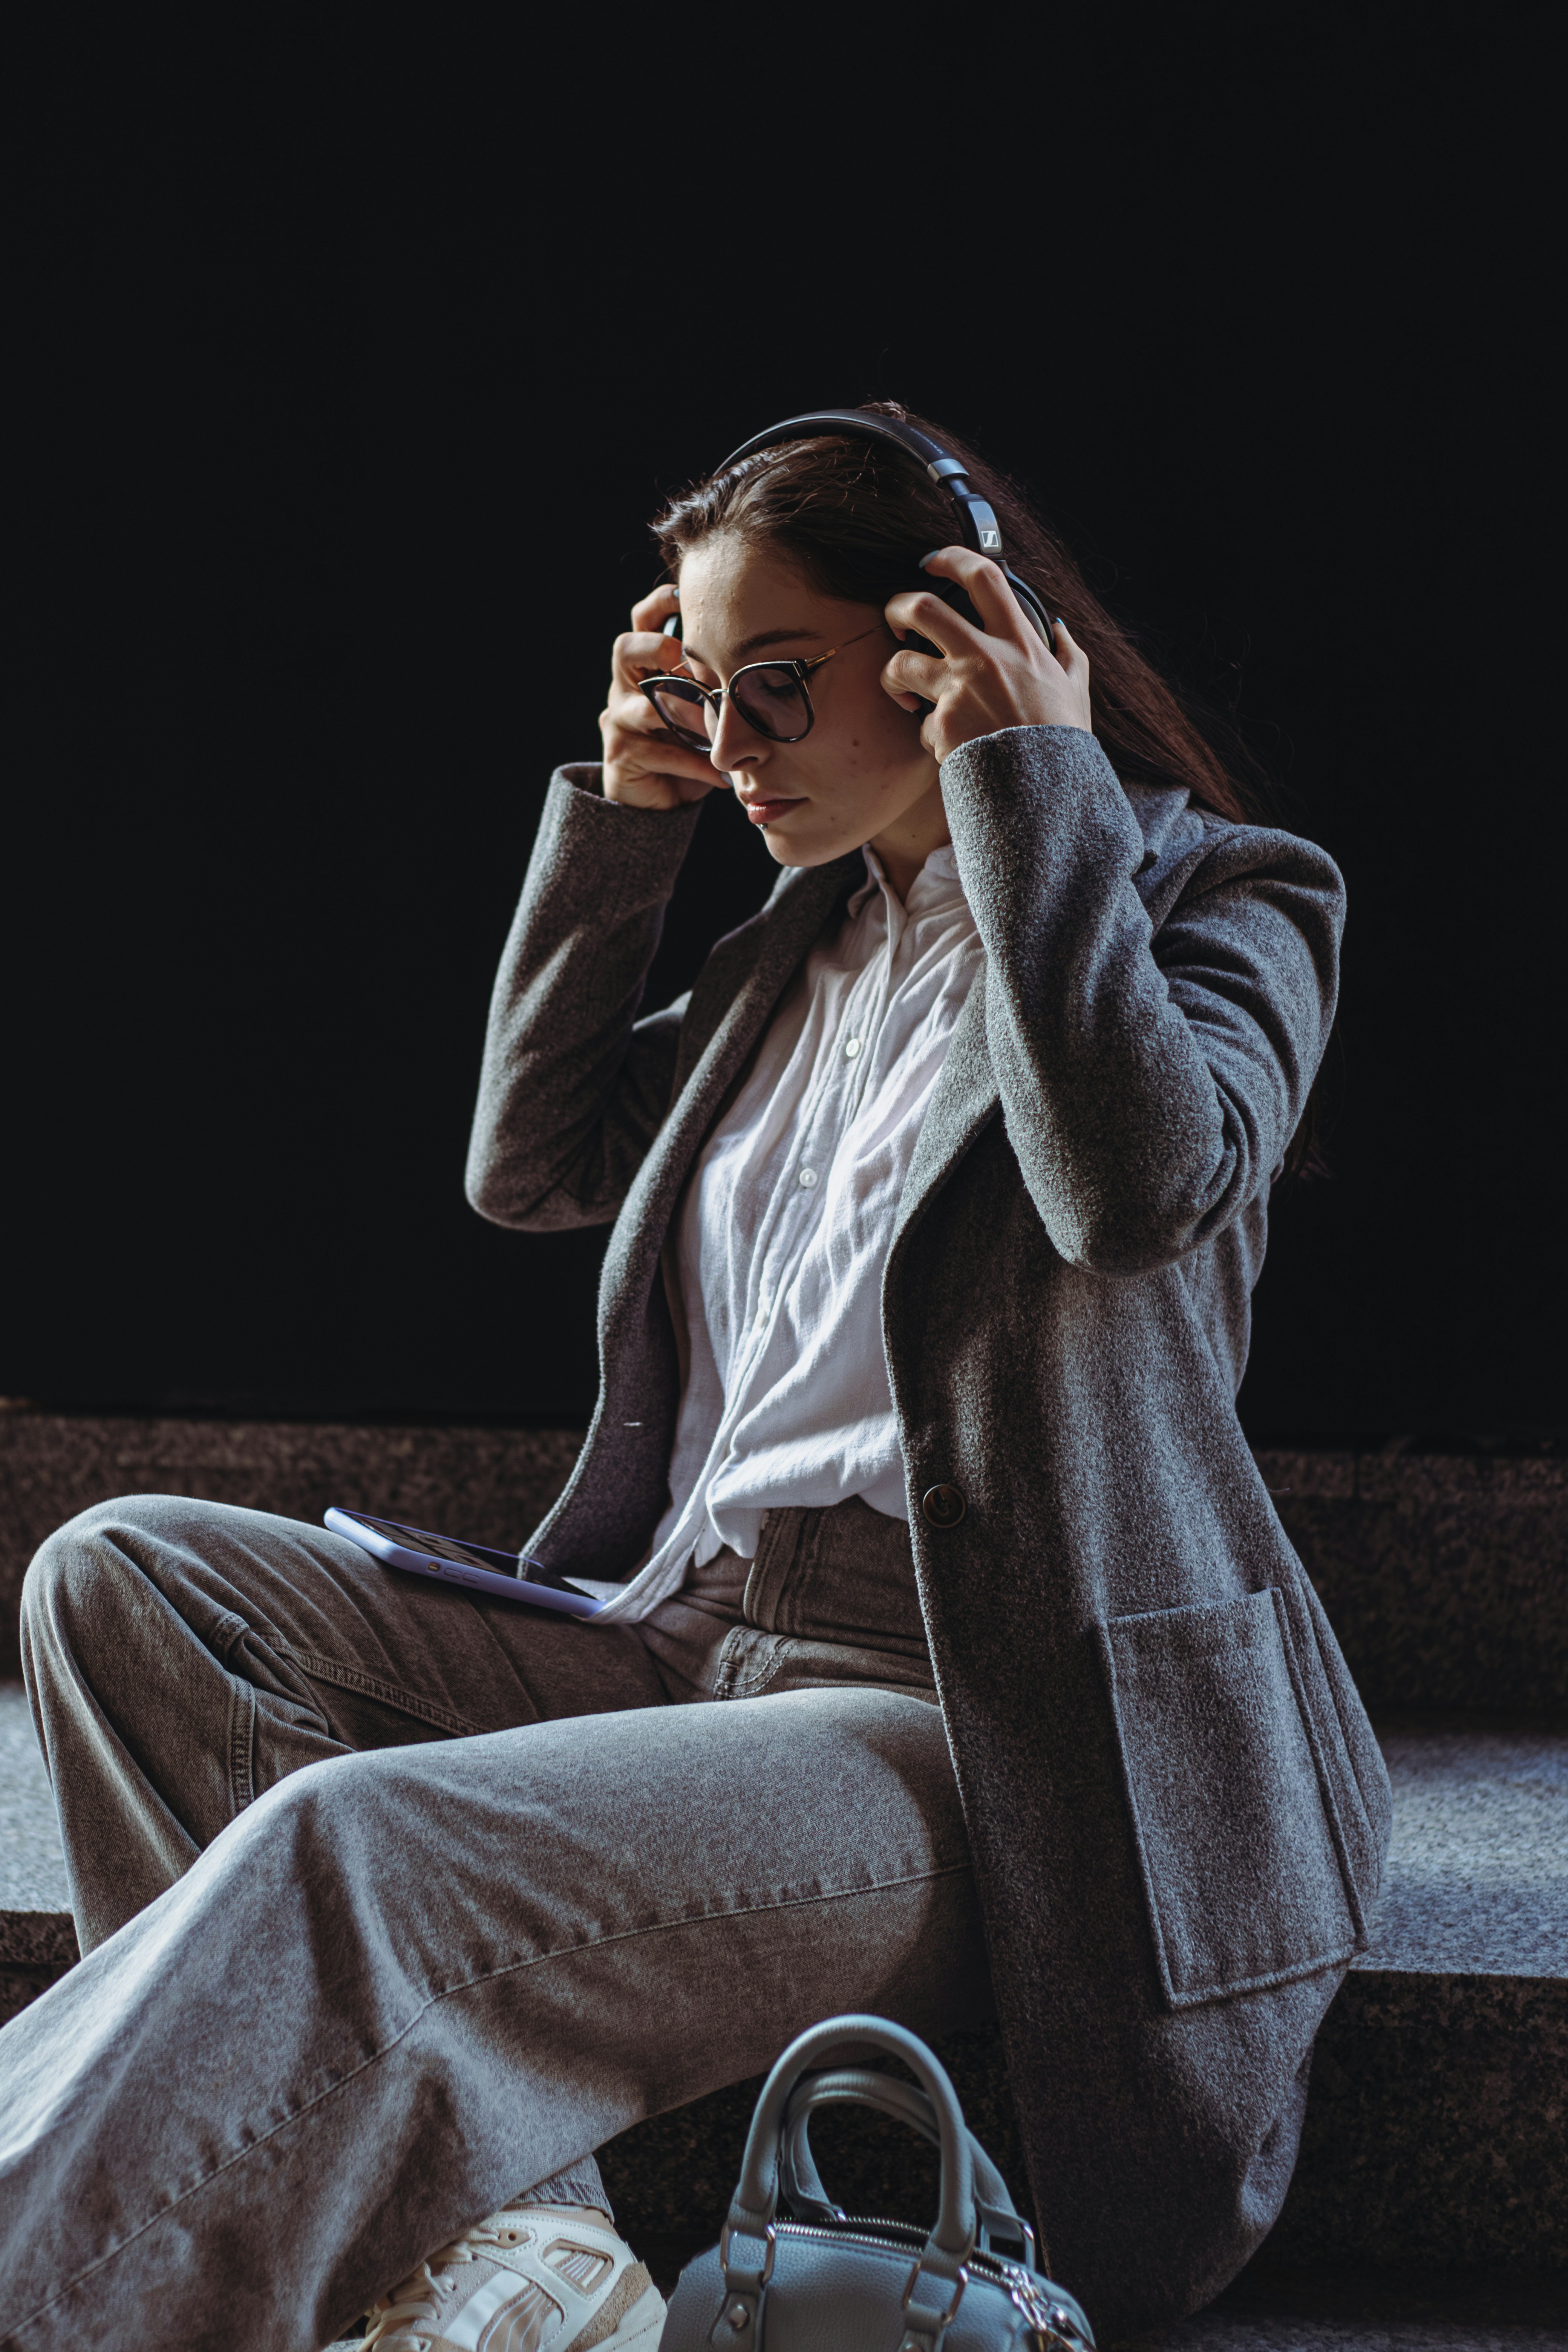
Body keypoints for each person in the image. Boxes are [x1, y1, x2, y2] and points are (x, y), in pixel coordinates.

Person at [2, 404, 1390, 2350]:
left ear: (956, 640)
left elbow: (1138, 1183)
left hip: (962, 1712)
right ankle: (504, 2244)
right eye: (701, 689)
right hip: (682, 1636)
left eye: (777, 690)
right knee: (122, 1575)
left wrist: (1034, 784)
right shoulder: (793, 950)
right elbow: (535, 1163)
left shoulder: (1220, 898)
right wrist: (628, 822)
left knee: (353, 1845)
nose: (733, 748)